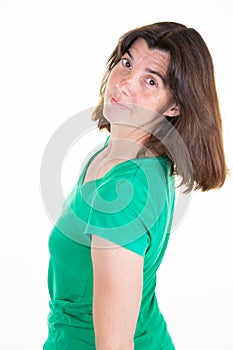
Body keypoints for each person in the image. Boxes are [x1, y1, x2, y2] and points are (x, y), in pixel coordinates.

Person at [43, 22, 227, 349]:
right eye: (126, 63)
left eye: (150, 80)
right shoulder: (120, 152)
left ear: (174, 106)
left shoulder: (122, 195)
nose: (125, 83)